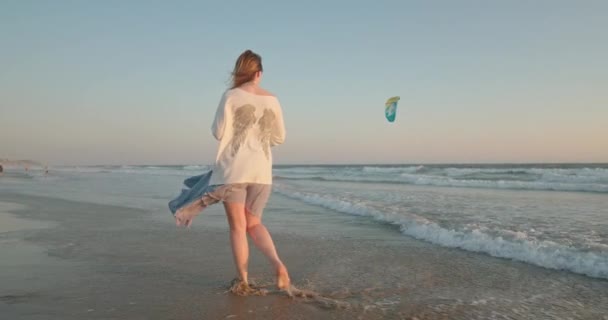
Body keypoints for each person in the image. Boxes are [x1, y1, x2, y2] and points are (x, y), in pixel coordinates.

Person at [174, 50, 290, 292]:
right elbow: (279, 138)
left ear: (240, 72)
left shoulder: (230, 96)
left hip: (234, 171)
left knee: (238, 228)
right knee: (255, 224)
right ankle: (278, 264)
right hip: (262, 172)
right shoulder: (274, 99)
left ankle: (244, 282)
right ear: (259, 74)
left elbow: (218, 132)